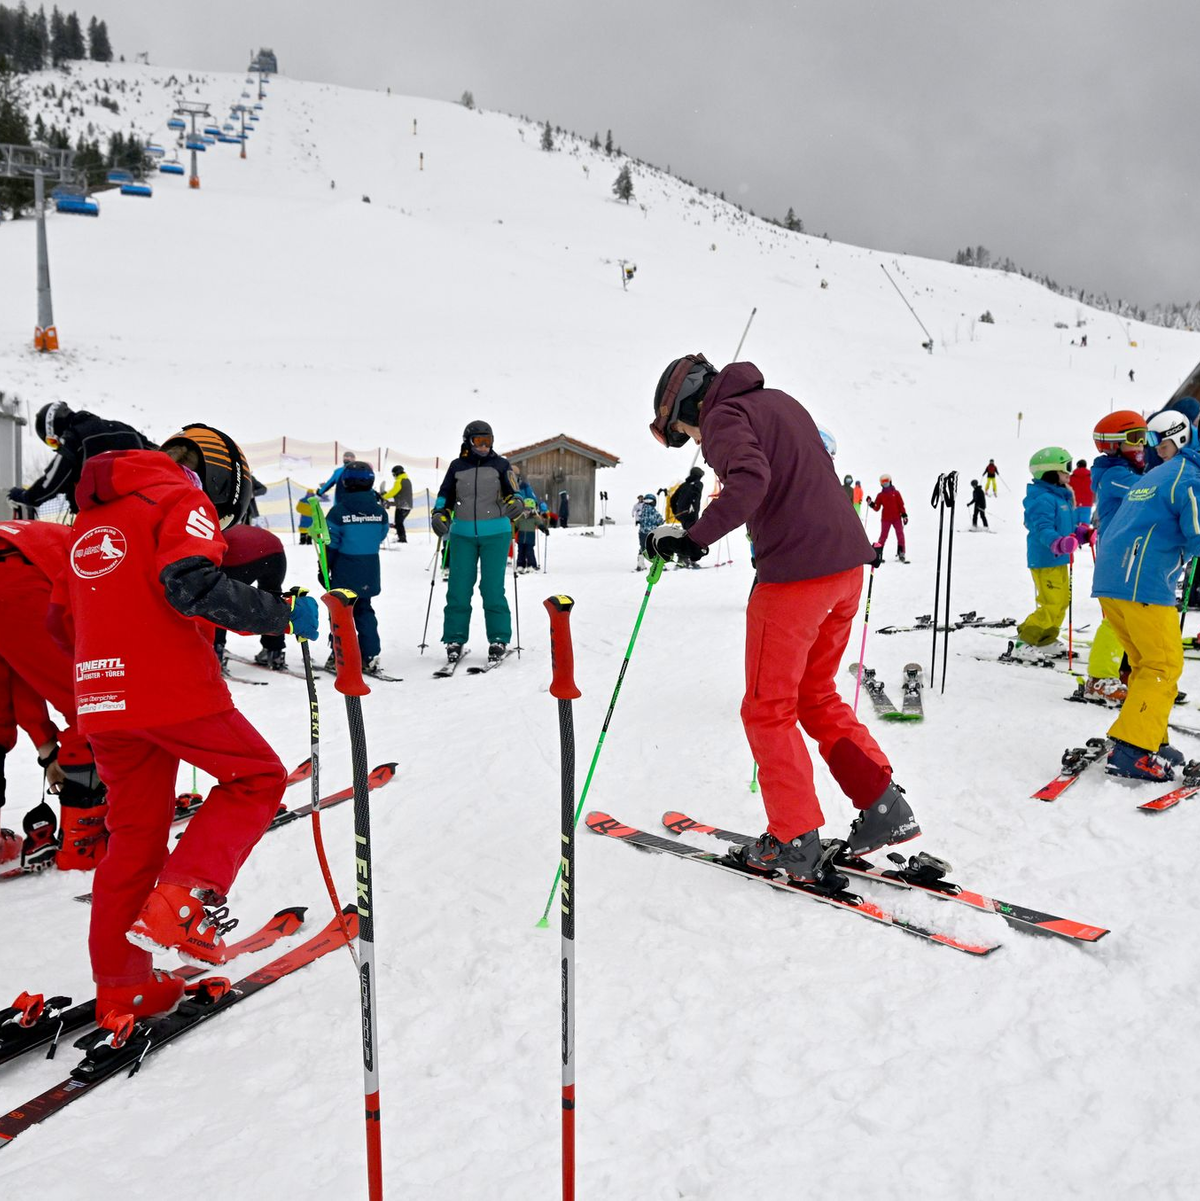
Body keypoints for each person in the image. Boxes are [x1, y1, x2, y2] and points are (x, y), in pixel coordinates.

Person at [52, 423, 318, 1017]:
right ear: (222, 481)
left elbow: (58, 620)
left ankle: (124, 987)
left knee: (134, 838)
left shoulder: (92, 519)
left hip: (101, 698)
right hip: (167, 688)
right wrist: (279, 614)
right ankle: (181, 903)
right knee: (256, 778)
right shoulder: (180, 495)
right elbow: (190, 583)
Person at [645, 353, 919, 882]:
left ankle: (794, 838)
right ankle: (885, 806)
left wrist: (693, 538)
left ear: (690, 405)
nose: (696, 441)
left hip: (795, 577)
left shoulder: (724, 418)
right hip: (844, 570)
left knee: (767, 709)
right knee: (815, 695)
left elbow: (750, 479)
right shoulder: (780, 402)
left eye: (685, 429)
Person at [1091, 409, 1198, 780]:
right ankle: (1133, 749)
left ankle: (1150, 734)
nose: (1154, 450)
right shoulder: (1187, 474)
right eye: (1152, 442)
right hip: (1142, 582)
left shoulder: (1153, 476)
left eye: (1159, 442)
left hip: (1114, 580)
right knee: (1164, 665)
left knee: (1144, 664)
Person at [0, 519, 105, 873]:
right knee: (91, 706)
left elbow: (20, 668)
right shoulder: (106, 549)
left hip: (14, 573)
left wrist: (47, 750)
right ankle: (83, 840)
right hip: (17, 580)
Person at [431, 421, 524, 665]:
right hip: (462, 535)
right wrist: (439, 513)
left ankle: (498, 638)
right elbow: (445, 496)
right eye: (479, 441)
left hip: (496, 533)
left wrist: (517, 502)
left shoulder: (501, 465)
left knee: (492, 588)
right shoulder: (457, 467)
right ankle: (454, 638)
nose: (484, 446)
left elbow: (514, 492)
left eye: (488, 441)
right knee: (459, 588)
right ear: (468, 442)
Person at [1083, 410, 1149, 705]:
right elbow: (1154, 492)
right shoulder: (1115, 476)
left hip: (1131, 555)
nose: (1142, 446)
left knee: (1133, 620)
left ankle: (1124, 672)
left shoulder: (1129, 472)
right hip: (1118, 558)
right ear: (1112, 444)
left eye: (1145, 438)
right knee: (1116, 621)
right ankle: (1099, 678)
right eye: (1135, 438)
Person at [1010, 447, 1087, 661]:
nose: (1069, 473)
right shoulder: (1042, 498)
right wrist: (1058, 542)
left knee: (1062, 602)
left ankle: (1045, 639)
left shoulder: (1061, 497)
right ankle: (1024, 641)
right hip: (1045, 559)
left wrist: (1080, 533)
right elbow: (1042, 528)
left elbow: (1066, 527)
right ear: (1050, 471)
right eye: (1066, 467)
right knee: (1051, 602)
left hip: (1060, 558)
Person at [7, 401, 151, 515]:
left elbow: (53, 480)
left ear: (56, 427)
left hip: (103, 516)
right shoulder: (124, 429)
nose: (57, 448)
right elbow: (160, 454)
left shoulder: (73, 438)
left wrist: (26, 496)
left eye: (53, 441)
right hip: (145, 507)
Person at [323, 462, 389, 675]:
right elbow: (381, 534)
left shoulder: (338, 512)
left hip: (345, 570)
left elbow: (331, 543)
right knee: (364, 610)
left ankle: (339, 655)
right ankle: (369, 655)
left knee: (341, 613)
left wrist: (325, 566)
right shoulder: (379, 512)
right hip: (369, 570)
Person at [212, 525, 289, 671]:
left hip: (243, 556)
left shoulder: (215, 537)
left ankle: (215, 652)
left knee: (220, 601)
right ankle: (274, 652)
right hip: (276, 553)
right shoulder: (232, 531)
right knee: (273, 600)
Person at [867, 474, 908, 561]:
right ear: (881, 484)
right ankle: (878, 554)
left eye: (887, 482)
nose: (885, 484)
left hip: (897, 518)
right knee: (883, 536)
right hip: (886, 519)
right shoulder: (880, 495)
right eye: (883, 482)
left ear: (890, 482)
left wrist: (904, 515)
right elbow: (877, 507)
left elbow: (901, 505)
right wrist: (871, 503)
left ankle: (901, 553)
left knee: (900, 535)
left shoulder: (896, 493)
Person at [514, 496, 548, 573]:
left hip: (530, 538)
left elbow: (540, 525)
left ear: (533, 510)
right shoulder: (520, 518)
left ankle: (532, 565)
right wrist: (512, 533)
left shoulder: (534, 518)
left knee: (529, 552)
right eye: (525, 509)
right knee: (521, 552)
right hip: (521, 538)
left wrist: (544, 529)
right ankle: (520, 565)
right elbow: (516, 526)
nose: (526, 511)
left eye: (528, 510)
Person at [381, 465, 413, 542]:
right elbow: (399, 493)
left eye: (393, 474)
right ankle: (400, 536)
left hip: (402, 506)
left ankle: (402, 538)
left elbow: (393, 492)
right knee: (398, 522)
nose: (394, 476)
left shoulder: (399, 481)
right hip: (407, 506)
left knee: (399, 522)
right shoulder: (407, 480)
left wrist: (384, 496)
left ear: (396, 473)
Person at [634, 492, 663, 571]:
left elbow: (638, 518)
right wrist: (660, 522)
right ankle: (659, 565)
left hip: (642, 533)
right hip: (652, 533)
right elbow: (659, 520)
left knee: (643, 548)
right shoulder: (653, 511)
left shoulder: (641, 509)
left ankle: (640, 564)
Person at [671, 466, 705, 531]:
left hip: (681, 514)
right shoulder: (698, 484)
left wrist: (676, 512)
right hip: (690, 515)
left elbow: (673, 499)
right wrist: (694, 514)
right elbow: (695, 499)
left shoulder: (683, 485)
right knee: (692, 535)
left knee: (686, 534)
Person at [1068, 459, 1094, 523]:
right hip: (1087, 504)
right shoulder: (1091, 477)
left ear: (1077, 466)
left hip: (1074, 504)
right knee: (1085, 526)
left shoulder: (1071, 477)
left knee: (1073, 525)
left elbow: (1067, 489)